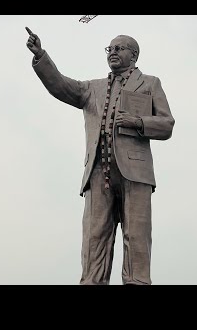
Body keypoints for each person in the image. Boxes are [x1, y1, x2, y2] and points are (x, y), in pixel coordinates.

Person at [25, 27, 175, 285]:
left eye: (119, 48)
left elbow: (167, 124)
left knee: (136, 237)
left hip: (135, 173)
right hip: (97, 171)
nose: (113, 52)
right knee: (95, 238)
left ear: (134, 55)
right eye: (110, 49)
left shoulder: (150, 83)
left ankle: (137, 282)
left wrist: (138, 121)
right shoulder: (91, 88)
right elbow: (60, 86)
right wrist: (41, 56)